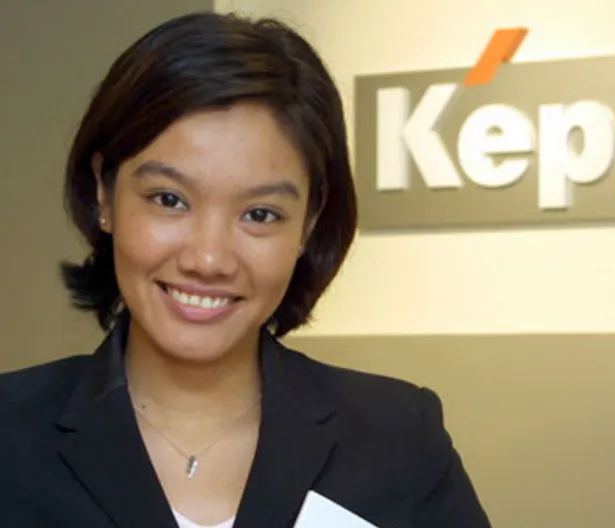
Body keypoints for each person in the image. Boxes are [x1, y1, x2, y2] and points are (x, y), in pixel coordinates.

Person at [0, 11, 491, 528]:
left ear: (308, 223)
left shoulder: (401, 440)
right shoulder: (10, 434)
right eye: (168, 199)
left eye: (259, 214)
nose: (208, 259)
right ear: (105, 194)